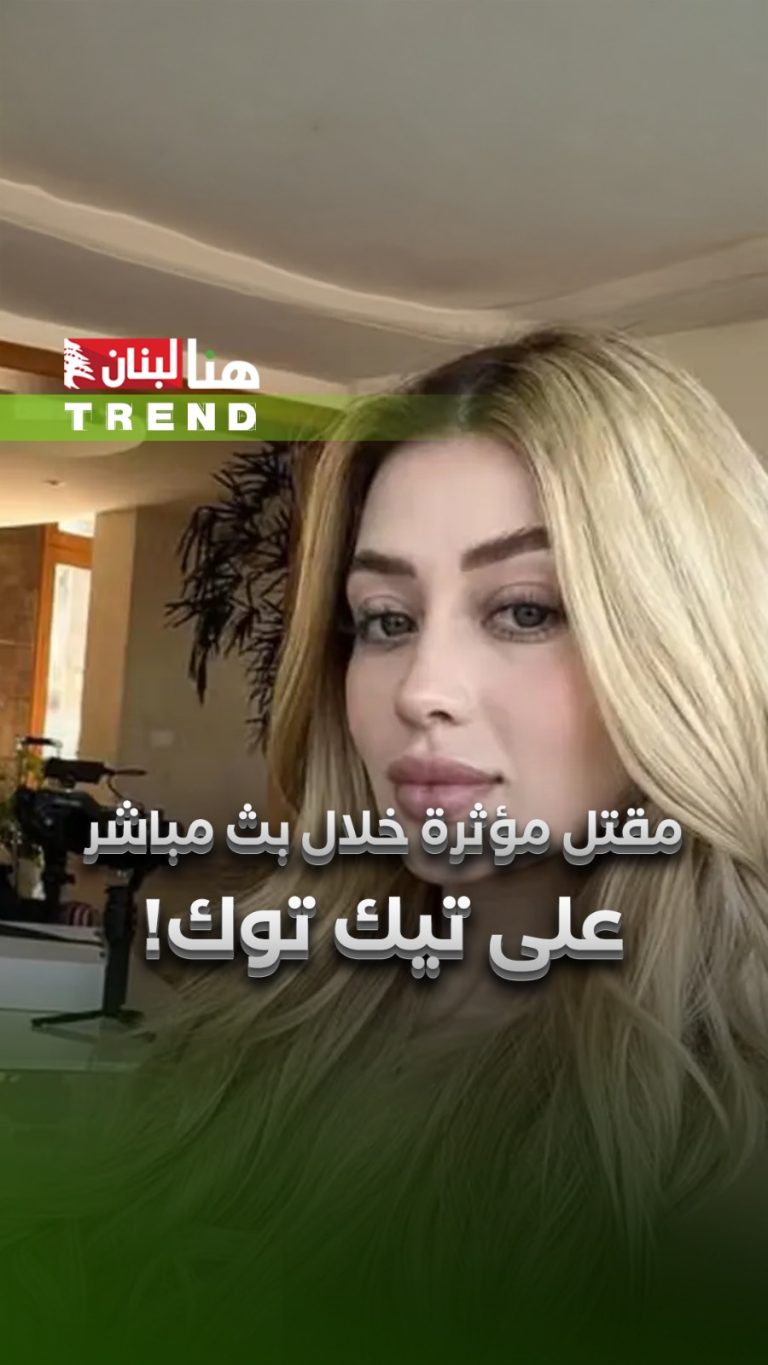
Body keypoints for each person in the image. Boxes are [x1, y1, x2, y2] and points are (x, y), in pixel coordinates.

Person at [2, 324, 768, 1363]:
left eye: (526, 610)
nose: (421, 690)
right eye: (386, 620)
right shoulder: (275, 1019)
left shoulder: (723, 1125)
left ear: (688, 646)